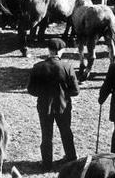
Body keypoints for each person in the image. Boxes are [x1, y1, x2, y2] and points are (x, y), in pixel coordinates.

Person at [27, 38, 79, 170]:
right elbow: (75, 91)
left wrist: (44, 94)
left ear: (48, 50)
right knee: (66, 132)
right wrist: (64, 94)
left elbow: (31, 90)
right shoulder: (67, 66)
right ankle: (71, 158)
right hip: (63, 106)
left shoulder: (38, 67)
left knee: (46, 135)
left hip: (44, 106)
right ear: (61, 51)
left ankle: (46, 164)